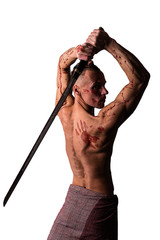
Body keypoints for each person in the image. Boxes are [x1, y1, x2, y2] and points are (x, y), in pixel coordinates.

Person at [47, 28, 150, 240]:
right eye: (96, 87)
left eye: (104, 85)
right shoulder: (99, 121)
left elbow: (62, 64)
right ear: (76, 90)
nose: (105, 92)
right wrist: (107, 44)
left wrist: (78, 53)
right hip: (74, 199)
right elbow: (138, 79)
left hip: (99, 207)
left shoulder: (67, 111)